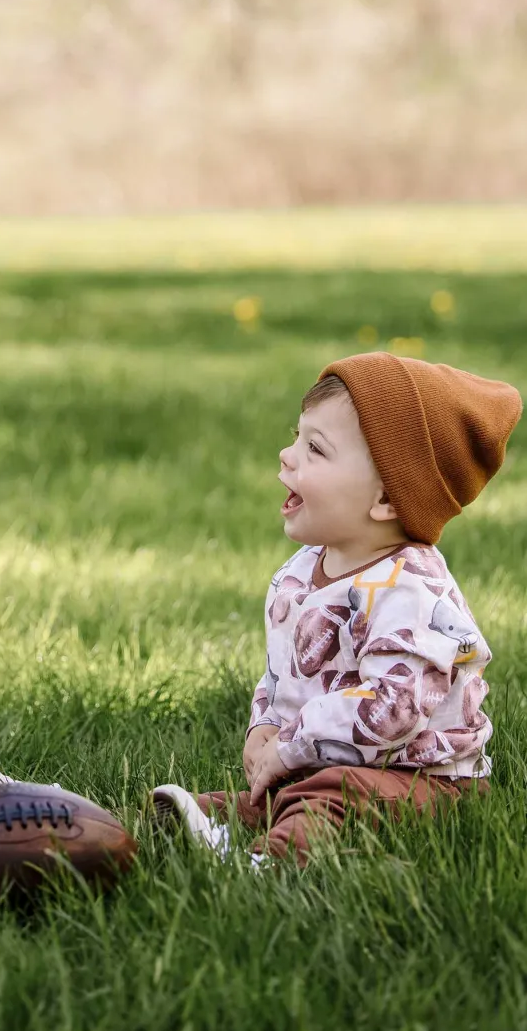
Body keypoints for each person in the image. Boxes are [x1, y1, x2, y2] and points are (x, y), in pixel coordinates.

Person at [151, 352, 521, 865]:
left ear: (387, 500)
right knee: (260, 801)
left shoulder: (411, 592)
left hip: (422, 780)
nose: (286, 455)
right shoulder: (302, 571)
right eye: (296, 437)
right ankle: (91, 821)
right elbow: (284, 675)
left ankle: (265, 864)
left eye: (315, 449)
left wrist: (291, 745)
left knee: (329, 799)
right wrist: (264, 726)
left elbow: (393, 710)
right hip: (323, 765)